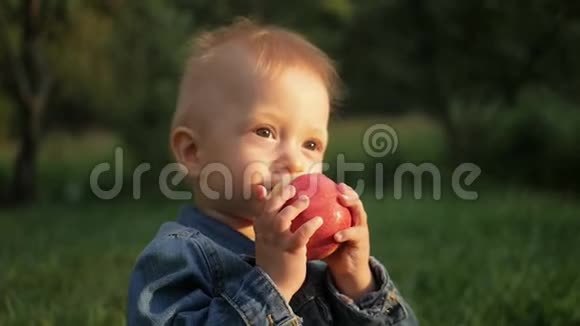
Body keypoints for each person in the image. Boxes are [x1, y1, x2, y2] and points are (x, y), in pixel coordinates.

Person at [127, 18, 418, 325]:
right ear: (193, 152)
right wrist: (273, 285)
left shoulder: (316, 258)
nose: (294, 161)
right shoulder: (178, 258)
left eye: (310, 143)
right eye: (264, 132)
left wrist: (358, 283)